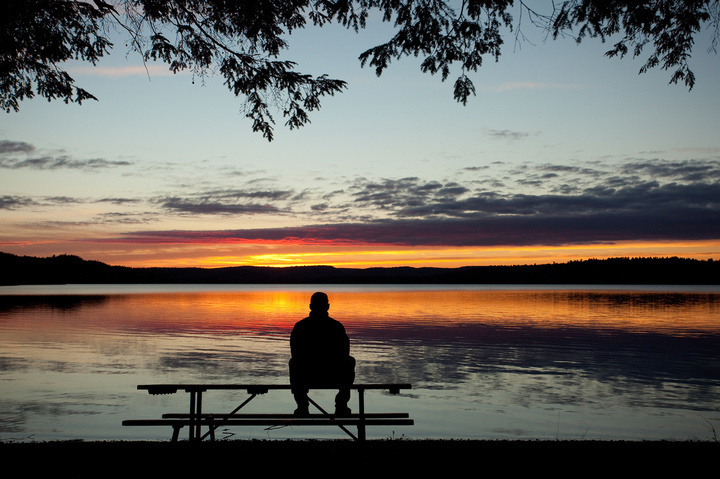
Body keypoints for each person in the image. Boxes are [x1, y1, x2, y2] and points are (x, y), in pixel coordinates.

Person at [289, 292, 355, 416]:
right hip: (333, 375)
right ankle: (341, 403)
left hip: (306, 375)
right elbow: (345, 352)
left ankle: (302, 405)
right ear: (328, 306)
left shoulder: (300, 326)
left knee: (294, 363)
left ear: (310, 306)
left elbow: (295, 353)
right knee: (349, 361)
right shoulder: (337, 326)